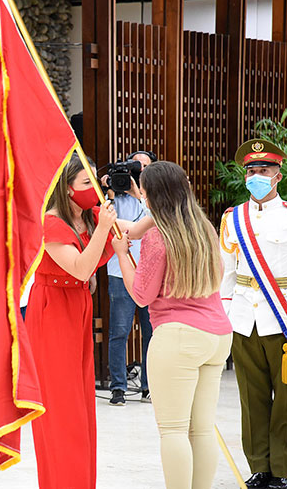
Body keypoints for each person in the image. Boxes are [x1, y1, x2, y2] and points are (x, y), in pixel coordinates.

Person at [113, 161, 233, 489]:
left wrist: (122, 254)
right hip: (218, 335)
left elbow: (141, 294)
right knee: (202, 429)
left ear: (149, 195)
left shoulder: (158, 238)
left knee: (174, 430)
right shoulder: (203, 228)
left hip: (177, 337)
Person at [24, 154, 118, 489]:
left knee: (81, 404)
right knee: (61, 407)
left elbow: (127, 234)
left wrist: (152, 206)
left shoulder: (91, 215)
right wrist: (105, 227)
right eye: (85, 183)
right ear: (66, 189)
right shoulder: (51, 223)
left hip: (78, 305)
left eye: (96, 181)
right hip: (52, 310)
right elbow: (80, 267)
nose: (93, 189)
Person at [219, 139, 287, 489]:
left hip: (282, 319)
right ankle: (260, 466)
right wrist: (223, 317)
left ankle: (283, 467)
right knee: (251, 396)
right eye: (251, 171)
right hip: (245, 318)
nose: (256, 176)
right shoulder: (233, 218)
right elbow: (225, 273)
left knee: (286, 398)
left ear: (278, 174)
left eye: (263, 170)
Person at [102, 150, 154, 406]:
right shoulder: (114, 193)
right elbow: (103, 220)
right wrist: (106, 190)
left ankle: (149, 385)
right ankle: (118, 388)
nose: (137, 172)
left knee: (151, 332)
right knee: (119, 331)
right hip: (118, 272)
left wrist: (140, 193)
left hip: (150, 270)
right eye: (135, 166)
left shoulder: (153, 197)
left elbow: (158, 218)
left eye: (144, 167)